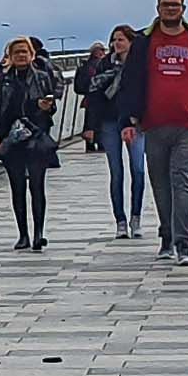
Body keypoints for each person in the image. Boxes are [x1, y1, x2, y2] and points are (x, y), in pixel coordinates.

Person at [115, 0, 188, 266]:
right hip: (153, 124)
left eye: (175, 5)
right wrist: (127, 120)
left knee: (182, 182)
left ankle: (184, 244)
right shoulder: (144, 41)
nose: (171, 9)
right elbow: (130, 81)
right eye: (166, 5)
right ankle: (167, 236)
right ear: (158, 8)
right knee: (160, 184)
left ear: (183, 8)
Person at [0, 34, 65, 251]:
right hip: (11, 137)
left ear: (32, 55)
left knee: (37, 185)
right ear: (10, 57)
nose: (21, 55)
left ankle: (38, 233)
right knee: (17, 186)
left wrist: (46, 107)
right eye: (17, 52)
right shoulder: (4, 80)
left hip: (35, 135)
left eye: (24, 51)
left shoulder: (41, 77)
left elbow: (52, 105)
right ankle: (23, 234)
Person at [84, 25, 146, 236]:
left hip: (134, 121)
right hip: (109, 120)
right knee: (116, 171)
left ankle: (136, 217)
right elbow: (93, 93)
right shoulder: (105, 64)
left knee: (138, 169)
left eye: (121, 39)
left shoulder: (140, 65)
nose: (116, 44)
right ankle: (120, 220)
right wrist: (91, 126)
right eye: (114, 40)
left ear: (131, 42)